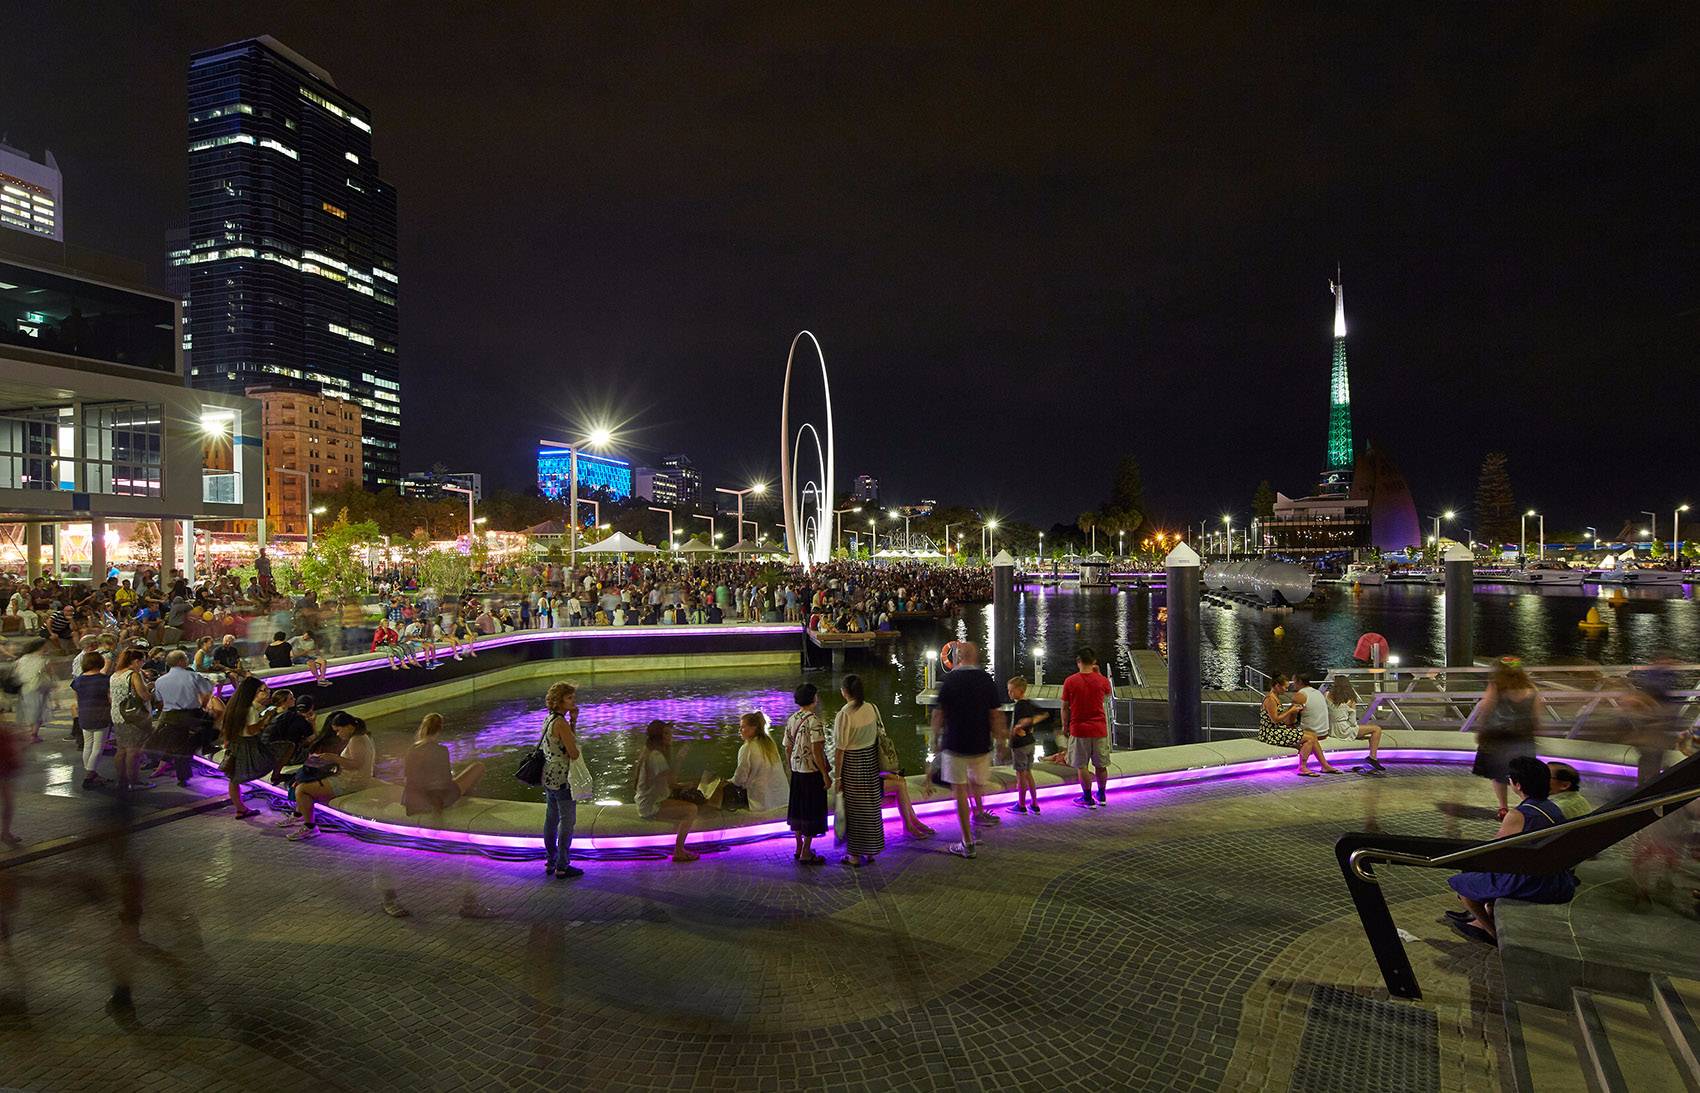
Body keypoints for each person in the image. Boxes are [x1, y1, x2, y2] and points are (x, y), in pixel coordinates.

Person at [1445, 755, 1578, 944]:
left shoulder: (1518, 814)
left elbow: (1495, 851)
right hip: (1557, 878)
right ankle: (1486, 913)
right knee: (1480, 874)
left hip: (1534, 882)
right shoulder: (1552, 807)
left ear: (1517, 785)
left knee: (1462, 883)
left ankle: (1491, 932)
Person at [931, 642, 1007, 859]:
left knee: (960, 792)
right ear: (976, 656)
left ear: (957, 657)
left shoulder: (949, 680)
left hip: (955, 743)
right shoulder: (986, 680)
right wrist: (1000, 742)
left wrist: (935, 739)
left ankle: (967, 841)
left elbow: (938, 713)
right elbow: (995, 714)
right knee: (977, 784)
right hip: (981, 743)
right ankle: (979, 816)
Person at [281, 712, 374, 841]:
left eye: (338, 730)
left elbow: (356, 764)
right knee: (303, 782)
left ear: (348, 726)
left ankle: (310, 827)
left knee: (302, 790)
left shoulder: (356, 740)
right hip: (348, 778)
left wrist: (334, 758)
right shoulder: (360, 737)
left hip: (350, 782)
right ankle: (300, 815)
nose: (337, 734)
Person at [1472, 657, 1540, 819]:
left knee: (1499, 775)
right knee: (1523, 775)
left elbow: (1486, 708)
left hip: (1499, 738)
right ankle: (1530, 806)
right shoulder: (1531, 689)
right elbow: (1536, 716)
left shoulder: (1496, 686)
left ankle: (1503, 808)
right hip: (1523, 738)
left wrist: (1481, 730)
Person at [832, 675, 885, 868]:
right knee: (871, 806)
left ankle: (854, 855)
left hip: (853, 764)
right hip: (871, 762)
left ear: (845, 692)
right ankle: (871, 851)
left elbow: (840, 749)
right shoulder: (872, 708)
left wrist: (838, 777)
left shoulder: (845, 714)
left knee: (854, 809)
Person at [632, 719, 699, 862]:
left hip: (648, 801)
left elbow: (667, 783)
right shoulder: (656, 757)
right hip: (651, 806)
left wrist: (685, 784)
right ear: (659, 737)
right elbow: (672, 783)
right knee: (691, 810)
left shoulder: (650, 752)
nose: (671, 737)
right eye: (667, 734)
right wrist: (680, 758)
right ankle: (679, 851)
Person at [401, 713, 487, 814]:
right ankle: (467, 798)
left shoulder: (412, 749)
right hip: (434, 800)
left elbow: (407, 778)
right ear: (439, 730)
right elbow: (443, 781)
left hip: (413, 801)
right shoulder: (441, 750)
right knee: (478, 767)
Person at [539, 681, 583, 878]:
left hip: (549, 775)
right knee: (567, 821)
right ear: (559, 701)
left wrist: (573, 721)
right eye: (569, 698)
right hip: (563, 778)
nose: (573, 701)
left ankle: (551, 860)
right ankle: (563, 865)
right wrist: (571, 727)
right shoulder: (561, 724)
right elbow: (573, 752)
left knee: (551, 819)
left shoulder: (549, 719)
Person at [783, 683, 831, 864]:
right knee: (811, 810)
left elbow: (787, 747)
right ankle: (806, 851)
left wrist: (791, 766)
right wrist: (825, 774)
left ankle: (798, 846)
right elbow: (817, 751)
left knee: (798, 810)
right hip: (811, 771)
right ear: (814, 698)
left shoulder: (792, 719)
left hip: (797, 771)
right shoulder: (814, 721)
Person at [1061, 647, 1114, 808]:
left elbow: (1065, 707)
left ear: (1078, 661)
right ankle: (1102, 795)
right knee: (1101, 765)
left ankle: (1087, 797)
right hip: (1099, 728)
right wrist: (1099, 674)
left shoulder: (1070, 681)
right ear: (1094, 661)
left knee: (1082, 765)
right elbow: (1108, 694)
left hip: (1079, 728)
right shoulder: (1102, 681)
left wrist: (1065, 726)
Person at [152, 649, 214, 787]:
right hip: (192, 714)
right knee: (209, 725)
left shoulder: (160, 681)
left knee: (178, 745)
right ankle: (206, 747)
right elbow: (208, 689)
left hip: (171, 716)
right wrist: (203, 703)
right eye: (185, 658)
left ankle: (182, 777)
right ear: (180, 661)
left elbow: (159, 700)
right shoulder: (192, 676)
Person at [219, 676, 275, 819]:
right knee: (273, 758)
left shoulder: (233, 706)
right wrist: (265, 719)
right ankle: (241, 808)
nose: (266, 693)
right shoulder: (249, 709)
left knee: (234, 779)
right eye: (262, 690)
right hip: (247, 745)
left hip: (235, 743)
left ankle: (240, 808)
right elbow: (252, 730)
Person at [108, 647, 155, 793]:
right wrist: (151, 690)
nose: (142, 664)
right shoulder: (133, 675)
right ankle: (133, 781)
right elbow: (144, 695)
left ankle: (121, 780)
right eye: (142, 662)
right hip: (133, 717)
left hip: (118, 715)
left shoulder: (115, 675)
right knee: (133, 750)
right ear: (135, 661)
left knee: (121, 749)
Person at [1285, 671, 1344, 777]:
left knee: (1303, 734)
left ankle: (1303, 766)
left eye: (1293, 681)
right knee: (1312, 736)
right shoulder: (1317, 692)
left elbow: (1289, 720)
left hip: (1313, 733)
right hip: (1323, 732)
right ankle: (1325, 765)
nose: (1292, 684)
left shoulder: (1299, 695)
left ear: (1299, 681)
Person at [727, 712, 788, 812]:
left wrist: (729, 782)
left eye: (743, 727)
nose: (740, 730)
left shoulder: (747, 748)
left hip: (761, 800)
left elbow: (740, 777)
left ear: (753, 728)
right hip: (781, 797)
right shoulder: (769, 743)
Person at [1007, 675, 1049, 814]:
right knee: (1028, 773)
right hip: (1030, 742)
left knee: (1021, 776)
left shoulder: (1019, 705)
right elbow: (1044, 714)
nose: (1009, 693)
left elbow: (1023, 721)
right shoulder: (1029, 703)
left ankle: (1021, 805)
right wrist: (1030, 723)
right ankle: (1034, 803)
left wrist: (1019, 727)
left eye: (1011, 690)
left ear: (1020, 690)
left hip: (1020, 745)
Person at [1325, 675, 1386, 772]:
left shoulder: (1327, 695)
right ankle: (1373, 757)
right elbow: (1353, 722)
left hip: (1331, 728)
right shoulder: (1350, 700)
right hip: (1344, 729)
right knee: (1376, 729)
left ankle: (1371, 755)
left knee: (1363, 733)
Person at [71, 649, 112, 789]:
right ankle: (89, 775)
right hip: (101, 715)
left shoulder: (78, 681)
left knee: (88, 745)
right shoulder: (104, 679)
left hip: (84, 715)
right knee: (98, 747)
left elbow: (77, 699)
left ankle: (92, 773)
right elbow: (110, 698)